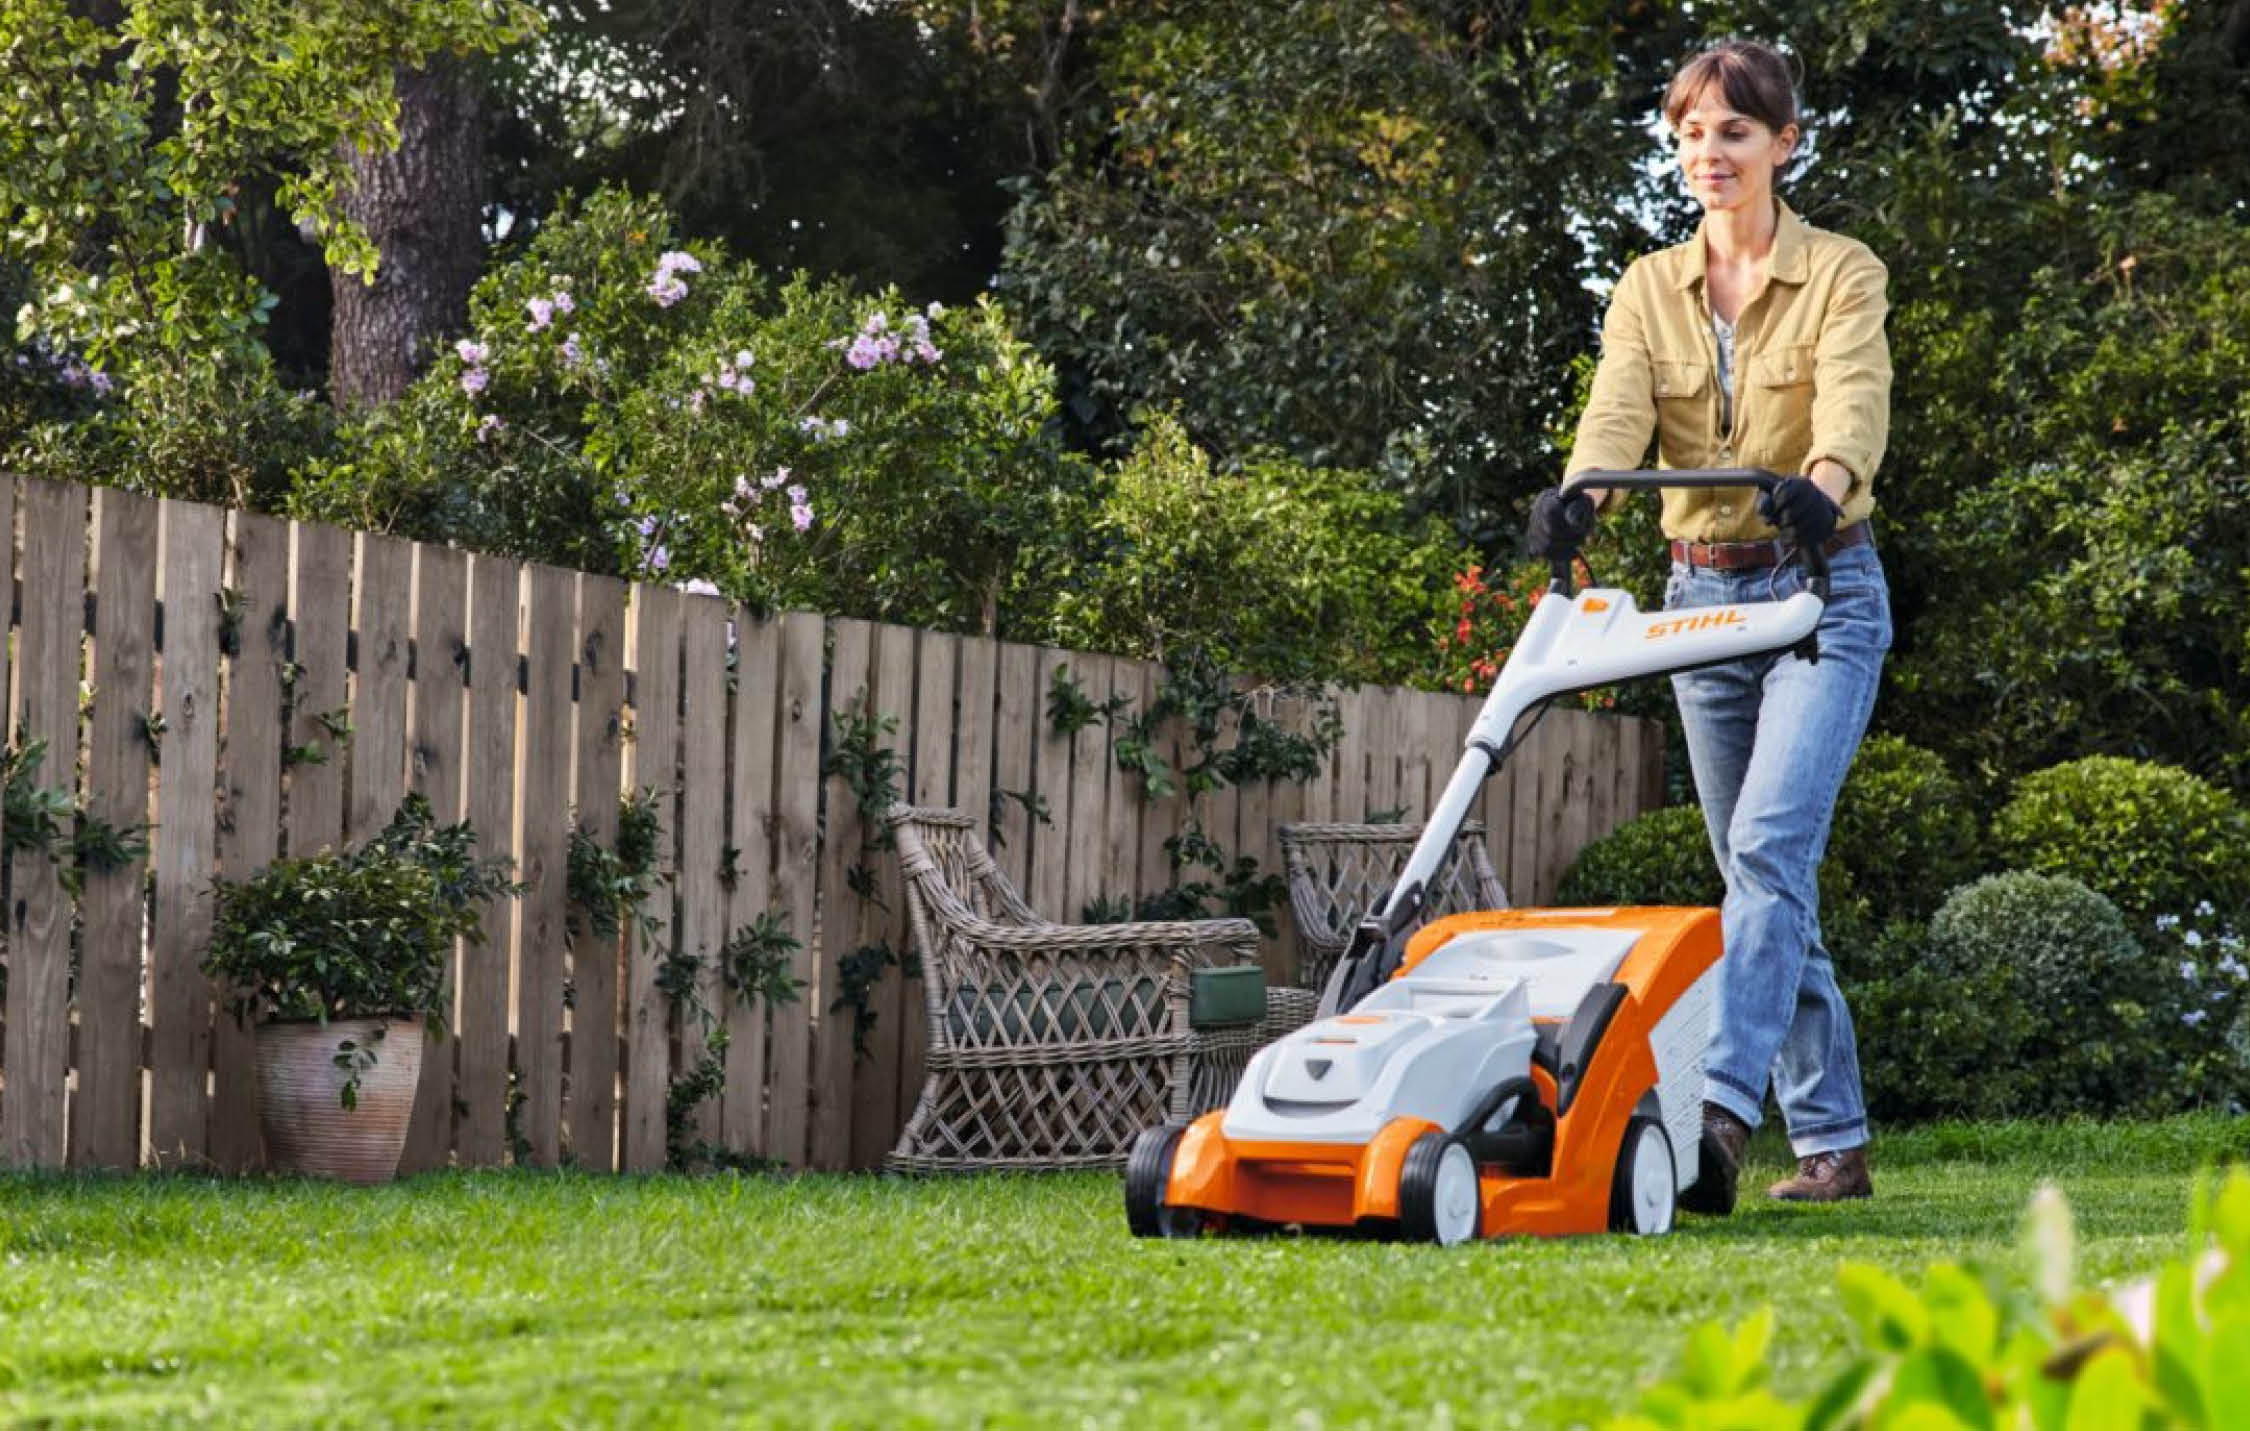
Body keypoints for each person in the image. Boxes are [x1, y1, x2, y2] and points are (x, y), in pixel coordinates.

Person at [1524, 38, 1892, 1211]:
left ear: (1785, 142)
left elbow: (1854, 403)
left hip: (1819, 591)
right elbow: (1618, 410)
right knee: (1757, 875)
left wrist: (1820, 481)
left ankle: (1720, 1117)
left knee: (1770, 856)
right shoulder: (1646, 287)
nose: (1708, 153)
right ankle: (1834, 1142)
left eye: (1734, 131)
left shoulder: (1842, 271)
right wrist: (1581, 490)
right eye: (1690, 133)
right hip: (1698, 603)